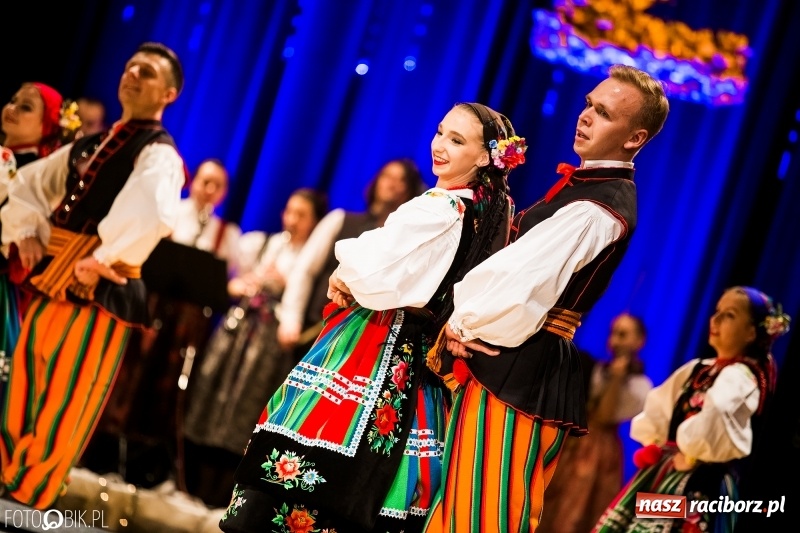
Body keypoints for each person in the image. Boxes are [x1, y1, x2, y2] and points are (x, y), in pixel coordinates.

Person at [218, 103, 525, 533]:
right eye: (441, 132)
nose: (440, 145)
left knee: (317, 455)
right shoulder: (489, 212)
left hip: (379, 339)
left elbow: (374, 265)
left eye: (457, 141)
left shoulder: (439, 207)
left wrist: (345, 273)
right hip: (421, 358)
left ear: (482, 157)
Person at [424, 64, 670, 533]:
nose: (586, 116)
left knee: (483, 514)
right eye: (588, 104)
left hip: (521, 365)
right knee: (457, 506)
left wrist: (464, 323)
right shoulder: (584, 187)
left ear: (634, 138)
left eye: (603, 113)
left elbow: (522, 279)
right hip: (507, 357)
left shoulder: (599, 205)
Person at [0, 41, 185, 510]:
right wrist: (25, 231)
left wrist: (104, 256)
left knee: (69, 388)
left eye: (146, 72)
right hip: (56, 268)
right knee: (27, 370)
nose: (133, 76)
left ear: (168, 94)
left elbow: (153, 212)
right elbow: (29, 186)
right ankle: (6, 474)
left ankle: (30, 492)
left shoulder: (158, 152)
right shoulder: (90, 143)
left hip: (103, 279)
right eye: (129, 67)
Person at [593, 286, 789, 532]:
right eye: (716, 311)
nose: (715, 319)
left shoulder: (741, 378)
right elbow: (660, 406)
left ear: (751, 332)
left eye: (729, 315)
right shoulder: (698, 369)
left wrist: (686, 449)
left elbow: (716, 415)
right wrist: (658, 444)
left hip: (701, 482)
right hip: (667, 470)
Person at [182, 187, 328, 508]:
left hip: (270, 343)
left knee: (247, 408)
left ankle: (222, 492)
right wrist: (244, 283)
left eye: (302, 215)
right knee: (213, 394)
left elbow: (305, 302)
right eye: (290, 211)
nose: (292, 220)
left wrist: (285, 283)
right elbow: (228, 282)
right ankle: (189, 480)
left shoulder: (309, 261)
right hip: (239, 330)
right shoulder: (265, 243)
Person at [276, 158, 426, 358]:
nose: (392, 184)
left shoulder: (405, 243)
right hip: (308, 332)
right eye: (388, 176)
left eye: (402, 180)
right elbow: (305, 270)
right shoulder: (340, 219)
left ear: (410, 190)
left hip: (356, 345)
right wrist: (291, 318)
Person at [538, 313, 653, 533]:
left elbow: (604, 416)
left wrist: (618, 378)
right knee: (550, 504)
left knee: (577, 512)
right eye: (614, 333)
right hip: (573, 443)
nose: (616, 340)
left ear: (639, 341)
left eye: (623, 334)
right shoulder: (595, 369)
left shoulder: (641, 386)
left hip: (600, 451)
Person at [0, 82, 80, 399]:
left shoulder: (41, 179)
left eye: (26, 107)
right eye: (13, 100)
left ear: (48, 125)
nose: (12, 108)